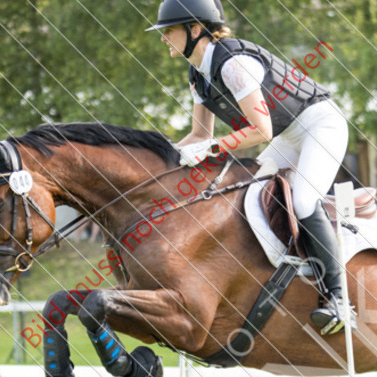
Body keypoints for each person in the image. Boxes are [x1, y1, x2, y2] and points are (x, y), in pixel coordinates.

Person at [150, 0, 350, 335]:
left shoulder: (232, 65)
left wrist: (211, 147)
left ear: (194, 30)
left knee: (302, 201)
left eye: (168, 30)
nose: (163, 38)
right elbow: (200, 134)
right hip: (289, 134)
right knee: (246, 197)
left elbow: (260, 131)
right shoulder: (198, 73)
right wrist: (164, 159)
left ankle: (340, 300)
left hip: (319, 126)